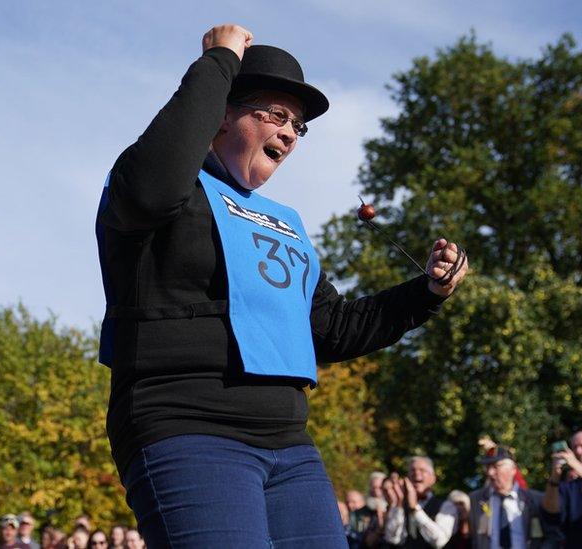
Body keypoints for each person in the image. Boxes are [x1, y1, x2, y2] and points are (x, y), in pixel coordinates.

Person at [94, 23, 467, 548]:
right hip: (186, 427)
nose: (290, 133)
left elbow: (333, 328)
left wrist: (425, 294)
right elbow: (155, 184)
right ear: (221, 112)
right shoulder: (159, 187)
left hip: (289, 447)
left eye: (298, 125)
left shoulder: (284, 221)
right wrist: (219, 62)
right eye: (274, 114)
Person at [467, 447, 553, 549]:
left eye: (496, 466)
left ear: (513, 469)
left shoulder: (535, 500)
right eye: (487, 467)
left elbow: (552, 535)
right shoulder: (475, 500)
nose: (490, 472)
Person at [383, 458, 460, 548]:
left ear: (433, 478)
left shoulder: (446, 506)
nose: (416, 473)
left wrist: (415, 508)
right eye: (412, 470)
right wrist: (398, 503)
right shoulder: (401, 506)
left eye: (422, 470)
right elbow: (393, 539)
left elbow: (439, 541)